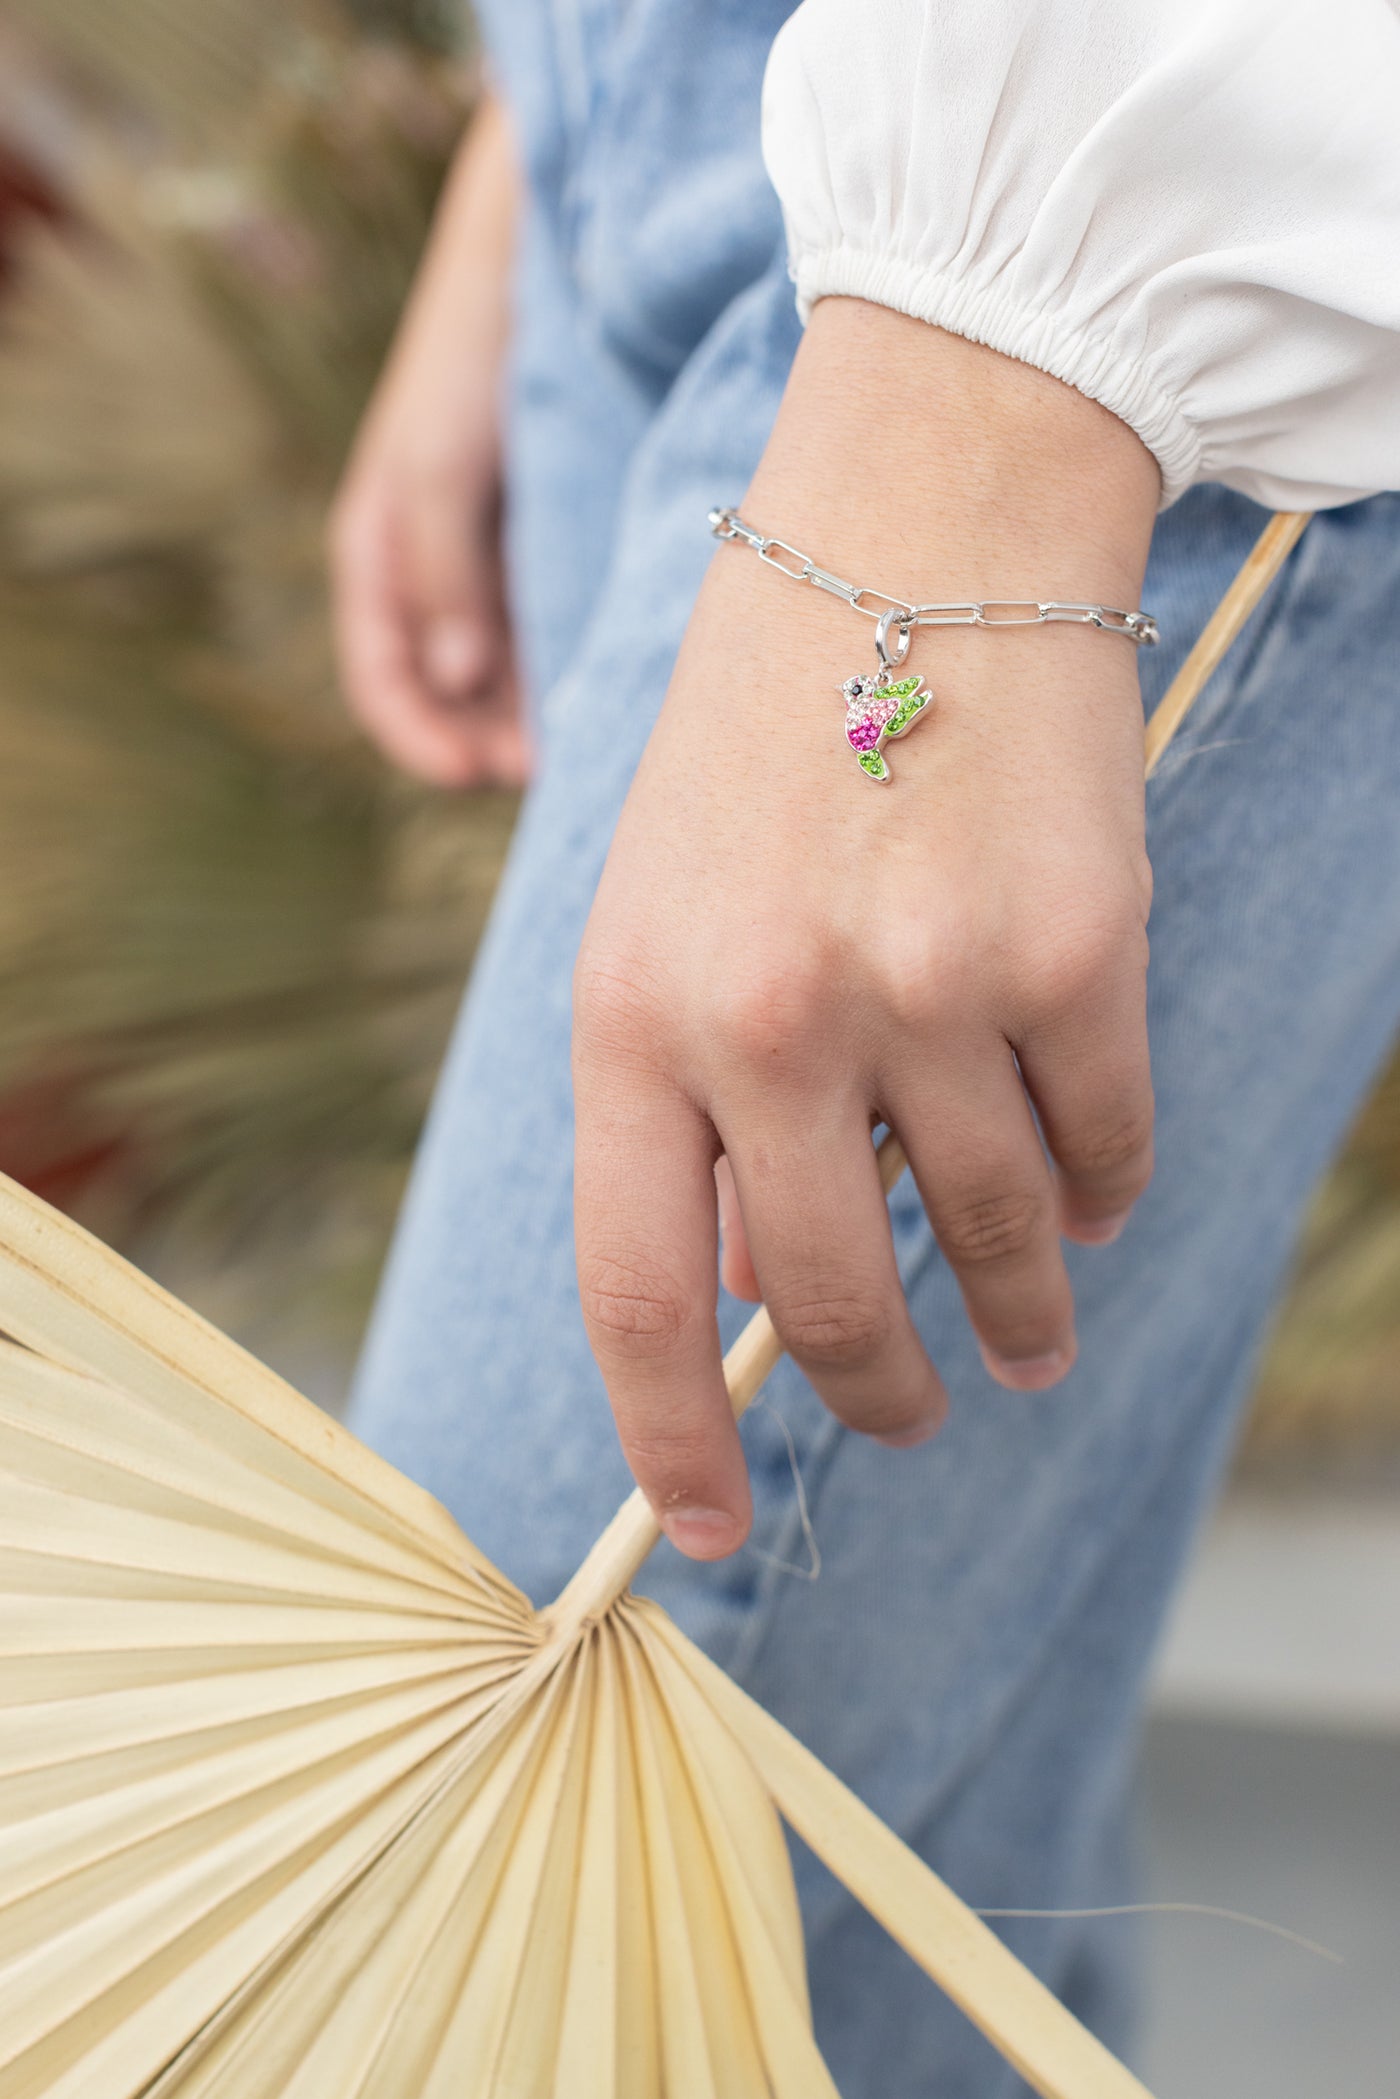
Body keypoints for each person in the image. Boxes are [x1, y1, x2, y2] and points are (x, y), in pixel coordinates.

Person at [331, 3, 1400, 2089]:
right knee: (877, 1919)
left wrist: (979, 387)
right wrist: (534, 157)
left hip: (1091, 281)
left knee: (484, 1925)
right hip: (727, 150)